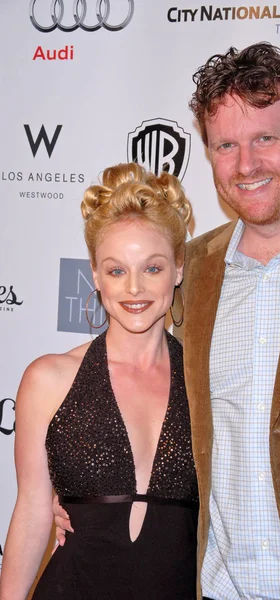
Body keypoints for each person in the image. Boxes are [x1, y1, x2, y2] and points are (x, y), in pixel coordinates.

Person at [54, 43, 280, 599]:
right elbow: (139, 390)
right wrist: (74, 489)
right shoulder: (191, 272)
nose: (246, 164)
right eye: (226, 145)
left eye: (266, 138)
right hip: (216, 588)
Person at [0, 162, 198, 600]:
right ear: (94, 274)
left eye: (152, 268)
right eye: (115, 270)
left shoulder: (206, 380)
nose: (133, 289)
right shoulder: (49, 379)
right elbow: (32, 512)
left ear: (178, 269)